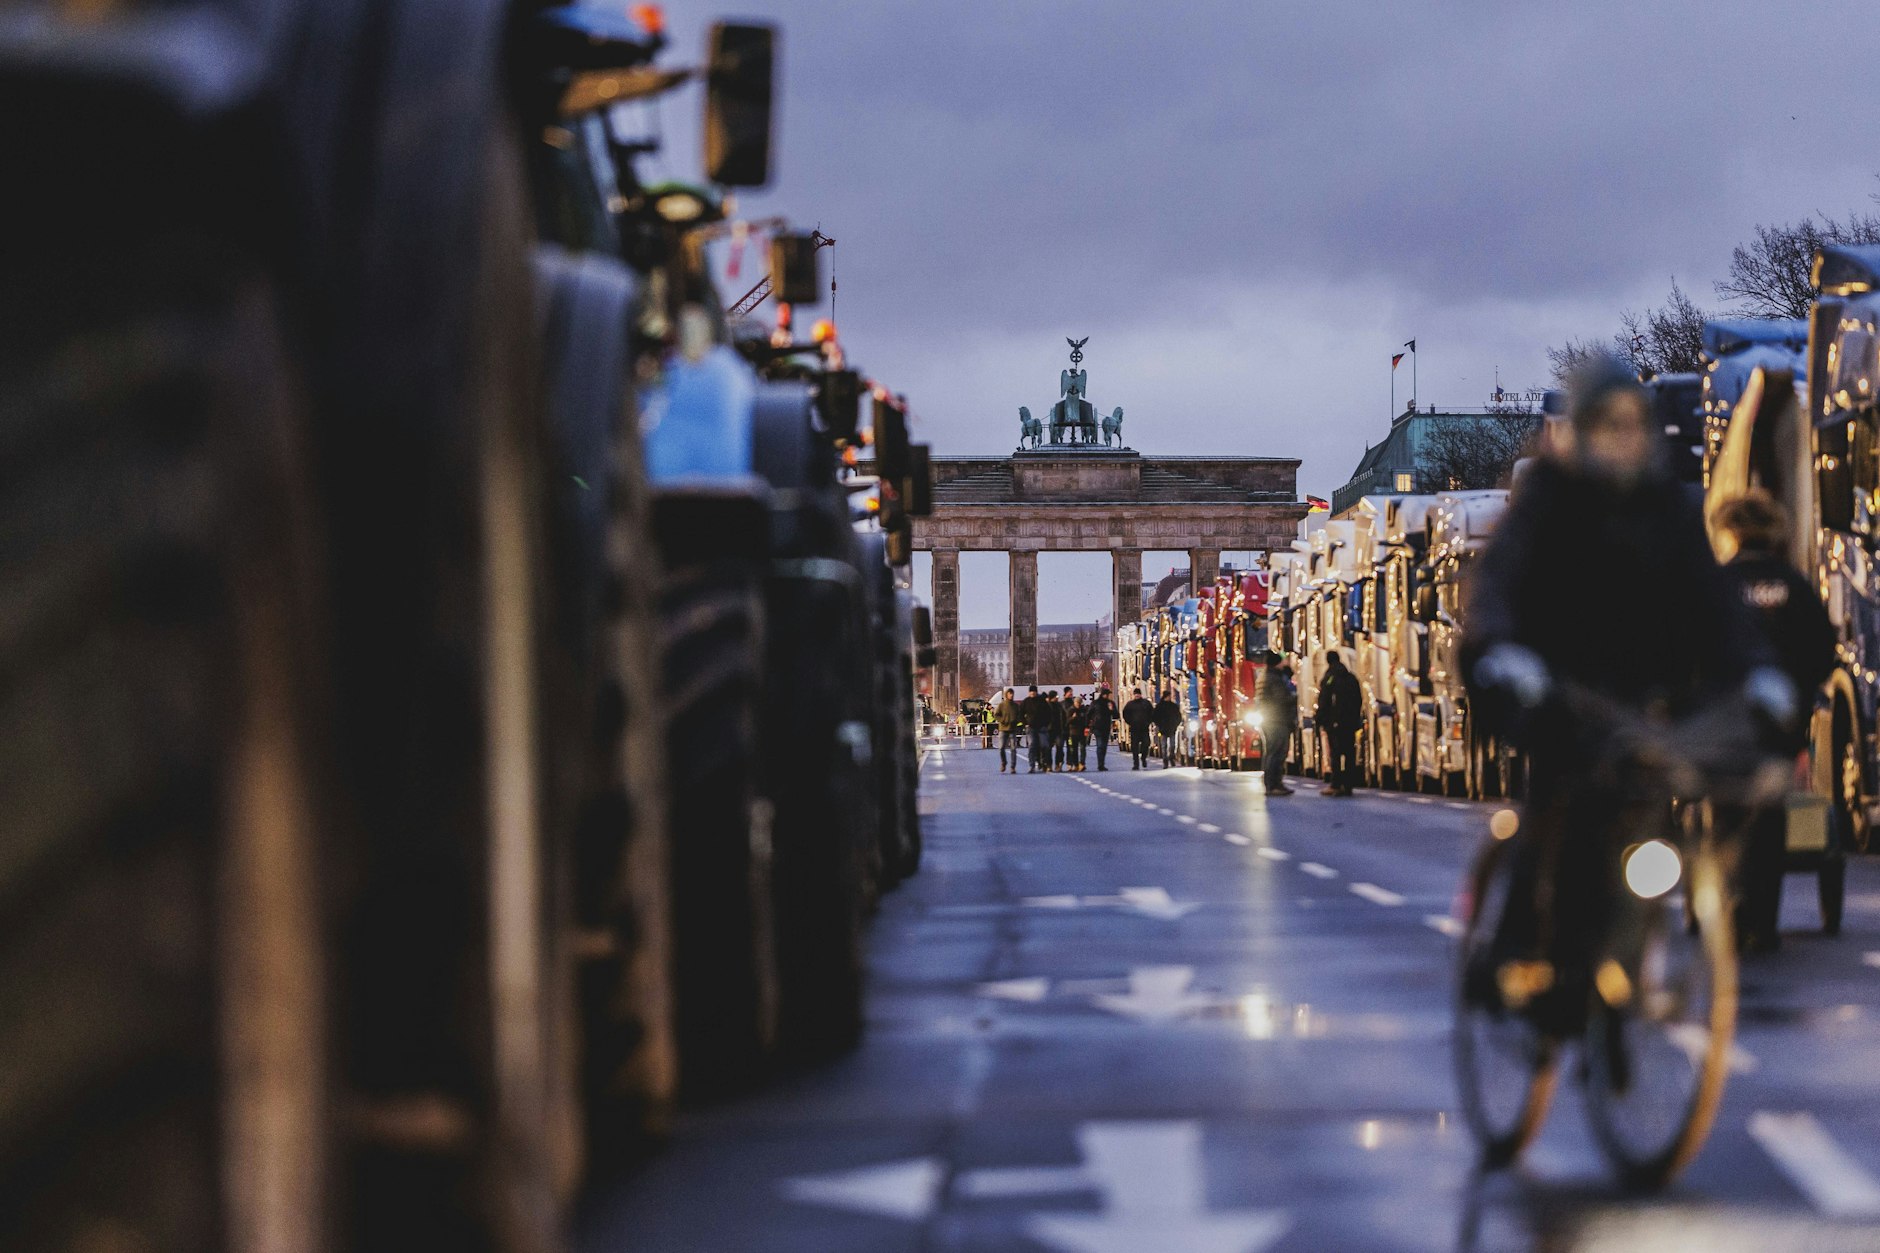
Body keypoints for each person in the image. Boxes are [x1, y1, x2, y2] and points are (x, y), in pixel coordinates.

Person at [1463, 352, 1785, 1012]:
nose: (1624, 437)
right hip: (1559, 692)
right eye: (1608, 424)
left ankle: (1627, 957)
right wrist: (1500, 651)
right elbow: (1497, 587)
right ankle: (1512, 954)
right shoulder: (1546, 502)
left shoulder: (1670, 508)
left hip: (1646, 700)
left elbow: (1716, 602)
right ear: (1579, 432)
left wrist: (1757, 672)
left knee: (1668, 800)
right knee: (1558, 808)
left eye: (1634, 424)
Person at [1716, 490, 1836, 952]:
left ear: (1728, 531)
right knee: (1769, 822)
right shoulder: (1793, 585)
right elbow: (1822, 652)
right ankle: (1762, 922)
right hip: (1780, 728)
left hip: (1726, 728)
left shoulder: (1716, 585)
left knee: (1725, 814)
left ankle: (1728, 909)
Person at [1315, 651, 1362, 796]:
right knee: (1349, 752)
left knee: (1335, 753)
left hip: (1334, 722)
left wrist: (1321, 719)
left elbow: (1324, 700)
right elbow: (1358, 700)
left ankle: (1336, 784)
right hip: (1350, 722)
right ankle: (1348, 785)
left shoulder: (1330, 678)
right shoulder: (1351, 678)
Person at [1258, 654, 1297, 796]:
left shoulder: (1266, 676)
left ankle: (1273, 784)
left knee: (1272, 752)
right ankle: (1273, 784)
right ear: (1276, 664)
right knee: (1277, 753)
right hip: (1277, 720)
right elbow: (1281, 698)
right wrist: (1294, 698)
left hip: (1271, 720)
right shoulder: (1274, 679)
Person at [1122, 687, 1155, 769]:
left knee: (1146, 744)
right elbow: (1125, 714)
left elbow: (1152, 713)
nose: (1137, 695)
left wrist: (1148, 722)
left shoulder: (1146, 703)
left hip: (1144, 728)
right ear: (1134, 695)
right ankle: (1136, 763)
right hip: (1134, 728)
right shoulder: (1130, 705)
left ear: (1140, 694)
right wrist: (1130, 722)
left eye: (1138, 694)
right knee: (1134, 747)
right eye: (1135, 694)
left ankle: (1143, 758)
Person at [1021, 684, 1050, 773]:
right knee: (1032, 745)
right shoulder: (1026, 702)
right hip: (1031, 727)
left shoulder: (1042, 701)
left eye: (1034, 691)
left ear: (1036, 692)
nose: (1032, 693)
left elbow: (1048, 712)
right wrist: (1025, 723)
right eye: (1031, 691)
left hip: (1042, 727)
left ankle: (1044, 763)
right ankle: (1032, 765)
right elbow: (1020, 713)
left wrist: (1046, 723)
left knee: (1044, 745)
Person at [1153, 687, 1182, 768]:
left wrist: (1176, 724)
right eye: (1169, 696)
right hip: (1164, 729)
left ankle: (1171, 757)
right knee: (1164, 745)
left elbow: (1178, 716)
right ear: (1166, 697)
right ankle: (1165, 759)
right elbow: (1155, 717)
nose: (1170, 698)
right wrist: (1159, 725)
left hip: (1171, 728)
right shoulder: (1160, 707)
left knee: (1172, 745)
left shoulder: (1173, 706)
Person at [1090, 686, 1118, 771]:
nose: (1107, 696)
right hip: (1097, 726)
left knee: (1104, 746)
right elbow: (1089, 713)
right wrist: (1089, 725)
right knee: (1100, 745)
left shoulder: (1110, 703)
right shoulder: (1095, 703)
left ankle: (1102, 763)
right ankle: (1100, 764)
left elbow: (1116, 715)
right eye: (1106, 694)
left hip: (1106, 727)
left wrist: (1111, 710)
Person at [995, 687, 1022, 774]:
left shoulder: (1015, 706)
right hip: (1003, 729)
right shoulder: (1002, 705)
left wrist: (1016, 721)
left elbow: (1019, 715)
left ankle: (1013, 766)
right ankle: (1004, 762)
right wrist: (1002, 720)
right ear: (1006, 695)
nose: (1011, 695)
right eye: (1009, 693)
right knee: (1001, 747)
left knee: (1013, 748)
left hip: (1012, 729)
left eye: (1012, 693)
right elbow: (996, 715)